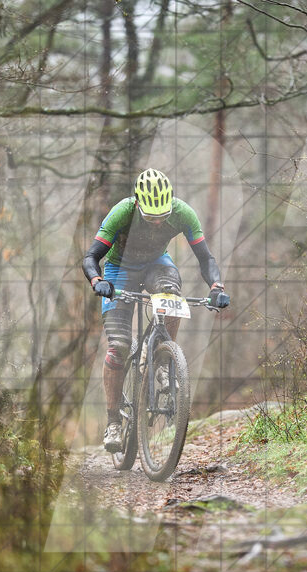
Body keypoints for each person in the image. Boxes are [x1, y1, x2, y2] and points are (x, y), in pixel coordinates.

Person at [82, 169, 231, 451]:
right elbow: (91, 257)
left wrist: (216, 287)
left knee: (172, 293)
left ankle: (163, 356)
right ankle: (113, 421)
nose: (156, 224)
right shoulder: (121, 212)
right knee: (118, 346)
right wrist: (97, 280)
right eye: (150, 218)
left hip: (156, 264)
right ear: (138, 203)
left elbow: (205, 258)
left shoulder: (183, 213)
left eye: (161, 218)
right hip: (119, 269)